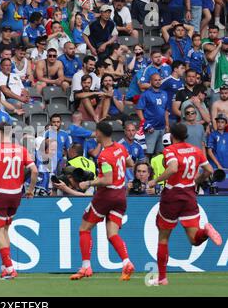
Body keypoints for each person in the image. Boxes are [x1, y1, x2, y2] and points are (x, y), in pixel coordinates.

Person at [147, 123, 222, 286]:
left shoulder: (170, 150)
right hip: (189, 196)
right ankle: (206, 231)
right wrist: (196, 181)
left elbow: (173, 168)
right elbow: (209, 170)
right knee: (195, 239)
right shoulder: (195, 150)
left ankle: (162, 278)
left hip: (172, 196)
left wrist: (155, 180)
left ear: (172, 136)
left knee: (163, 237)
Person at [70, 121, 135, 281]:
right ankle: (126, 262)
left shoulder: (104, 156)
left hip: (106, 196)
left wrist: (89, 183)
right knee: (112, 234)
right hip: (120, 196)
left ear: (99, 133)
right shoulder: (121, 148)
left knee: (84, 228)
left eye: (95, 132)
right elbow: (130, 163)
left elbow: (106, 180)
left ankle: (86, 267)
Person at [0, 122, 38, 279]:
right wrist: (30, 190)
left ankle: (10, 267)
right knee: (5, 229)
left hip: (0, 193)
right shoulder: (22, 150)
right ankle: (5, 266)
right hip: (16, 194)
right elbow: (34, 171)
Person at [136, 73, 168, 159]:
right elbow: (139, 109)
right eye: (155, 80)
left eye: (159, 80)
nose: (158, 82)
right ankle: (145, 171)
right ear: (150, 82)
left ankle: (158, 172)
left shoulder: (164, 93)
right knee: (148, 153)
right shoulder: (145, 94)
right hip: (151, 128)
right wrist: (145, 123)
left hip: (162, 128)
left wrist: (167, 125)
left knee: (160, 154)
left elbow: (166, 111)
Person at [160, 60, 186, 126]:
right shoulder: (167, 81)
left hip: (178, 115)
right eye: (182, 68)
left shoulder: (182, 81)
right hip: (169, 115)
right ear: (175, 69)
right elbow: (157, 93)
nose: (184, 70)